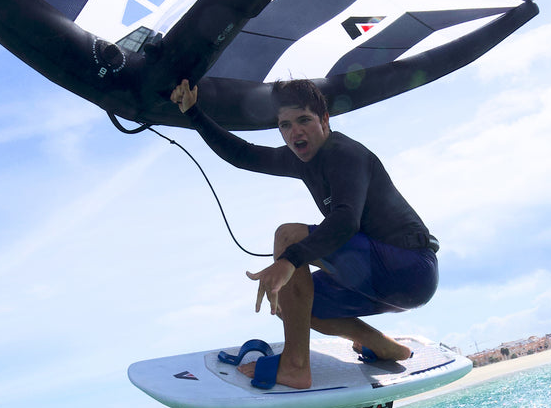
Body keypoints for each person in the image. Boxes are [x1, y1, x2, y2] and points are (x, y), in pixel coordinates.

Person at [170, 78, 438, 390]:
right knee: (292, 305)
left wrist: (289, 260)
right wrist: (194, 114)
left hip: (410, 267)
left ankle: (295, 367)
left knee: (288, 237)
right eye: (285, 125)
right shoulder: (300, 160)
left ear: (325, 120)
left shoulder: (345, 154)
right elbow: (243, 154)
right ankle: (381, 345)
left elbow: (345, 220)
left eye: (304, 120)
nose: (295, 132)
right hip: (384, 279)